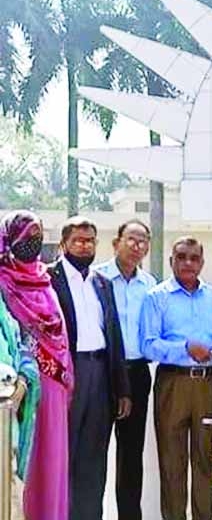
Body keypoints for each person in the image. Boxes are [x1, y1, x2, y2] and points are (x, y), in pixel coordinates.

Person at [48, 216, 131, 520]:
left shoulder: (102, 282)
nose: (84, 246)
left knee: (94, 459)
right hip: (65, 376)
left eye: (90, 240)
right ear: (63, 244)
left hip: (100, 376)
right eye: (78, 240)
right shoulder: (48, 280)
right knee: (62, 456)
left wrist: (122, 388)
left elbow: (114, 336)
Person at [140, 237, 212, 520]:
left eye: (194, 258)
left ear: (202, 262)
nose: (188, 263)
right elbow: (148, 345)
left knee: (205, 460)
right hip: (173, 383)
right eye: (182, 257)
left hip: (208, 384)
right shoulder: (156, 297)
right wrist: (184, 347)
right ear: (171, 260)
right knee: (172, 462)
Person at [0, 211, 72, 520]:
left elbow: (59, 332)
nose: (32, 243)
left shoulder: (45, 281)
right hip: (20, 388)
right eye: (25, 237)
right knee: (24, 460)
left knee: (52, 459)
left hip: (54, 386)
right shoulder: (3, 283)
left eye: (37, 236)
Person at [95, 219, 156, 520]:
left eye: (143, 240)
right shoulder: (97, 279)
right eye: (131, 239)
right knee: (96, 449)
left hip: (138, 373)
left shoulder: (150, 284)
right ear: (116, 242)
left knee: (131, 454)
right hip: (103, 372)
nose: (137, 246)